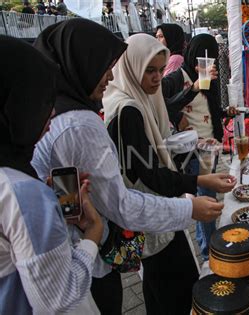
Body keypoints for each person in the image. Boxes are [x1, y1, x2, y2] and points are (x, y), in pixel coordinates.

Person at [32, 19, 223, 314]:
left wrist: (72, 207)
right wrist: (192, 202)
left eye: (161, 70)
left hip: (92, 244)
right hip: (107, 245)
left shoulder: (66, 112)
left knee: (160, 291)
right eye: (103, 65)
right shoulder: (83, 122)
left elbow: (64, 179)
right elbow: (129, 190)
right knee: (176, 292)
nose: (109, 74)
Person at [102, 33, 236, 313]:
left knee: (157, 287)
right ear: (131, 66)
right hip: (151, 212)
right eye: (149, 70)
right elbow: (151, 174)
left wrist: (194, 144)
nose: (156, 78)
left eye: (160, 70)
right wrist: (198, 184)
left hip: (153, 210)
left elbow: (154, 149)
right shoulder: (129, 109)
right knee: (179, 287)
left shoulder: (137, 99)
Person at [0, 35, 103, 314]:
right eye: (42, 100)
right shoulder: (20, 192)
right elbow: (60, 298)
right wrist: (93, 235)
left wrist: (51, 213)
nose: (52, 111)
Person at [162, 34, 237, 261]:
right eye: (201, 58)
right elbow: (162, 104)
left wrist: (225, 112)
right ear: (191, 55)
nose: (206, 63)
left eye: (211, 59)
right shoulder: (177, 77)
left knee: (206, 198)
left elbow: (207, 108)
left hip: (210, 146)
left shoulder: (208, 76)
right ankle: (209, 253)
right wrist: (179, 112)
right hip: (190, 150)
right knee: (206, 200)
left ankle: (208, 245)